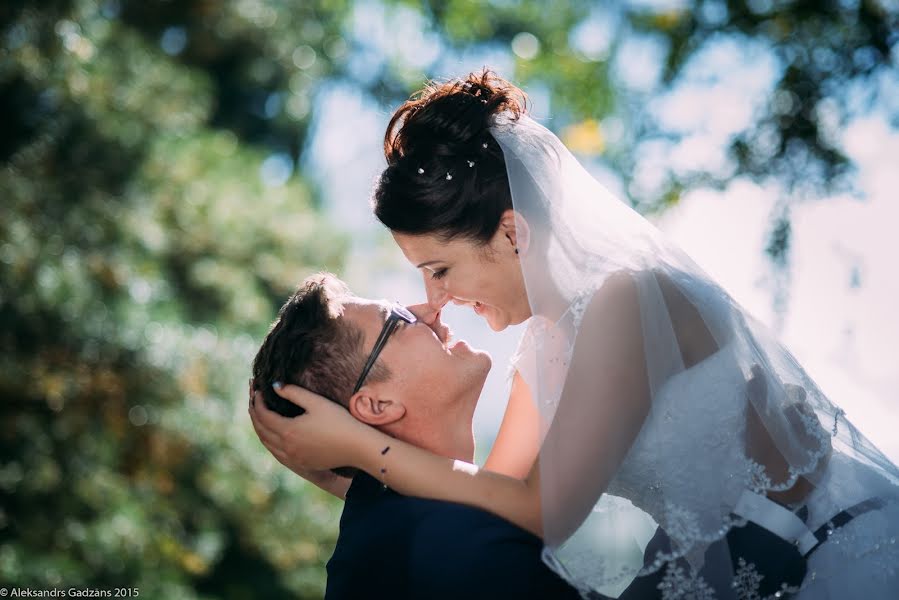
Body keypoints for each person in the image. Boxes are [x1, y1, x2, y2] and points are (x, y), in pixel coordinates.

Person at [250, 71, 899, 598]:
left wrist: (365, 452)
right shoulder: (543, 348)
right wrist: (342, 470)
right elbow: (488, 499)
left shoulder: (628, 301)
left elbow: (541, 512)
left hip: (834, 563)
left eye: (439, 270)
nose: (435, 301)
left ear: (511, 233)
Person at [249, 273, 584, 599]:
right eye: (398, 321)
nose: (429, 309)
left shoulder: (388, 517)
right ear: (377, 404)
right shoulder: (452, 553)